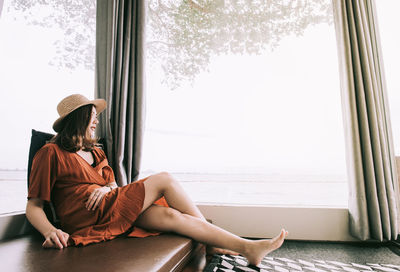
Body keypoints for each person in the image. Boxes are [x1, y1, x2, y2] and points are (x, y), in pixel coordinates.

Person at [26, 94, 288, 266]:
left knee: (172, 217)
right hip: (85, 217)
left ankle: (247, 248)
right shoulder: (50, 153)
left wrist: (107, 188)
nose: (96, 122)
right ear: (77, 120)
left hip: (111, 208)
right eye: (91, 118)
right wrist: (51, 231)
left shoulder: (97, 151)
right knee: (165, 179)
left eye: (96, 118)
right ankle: (215, 244)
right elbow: (34, 205)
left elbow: (114, 186)